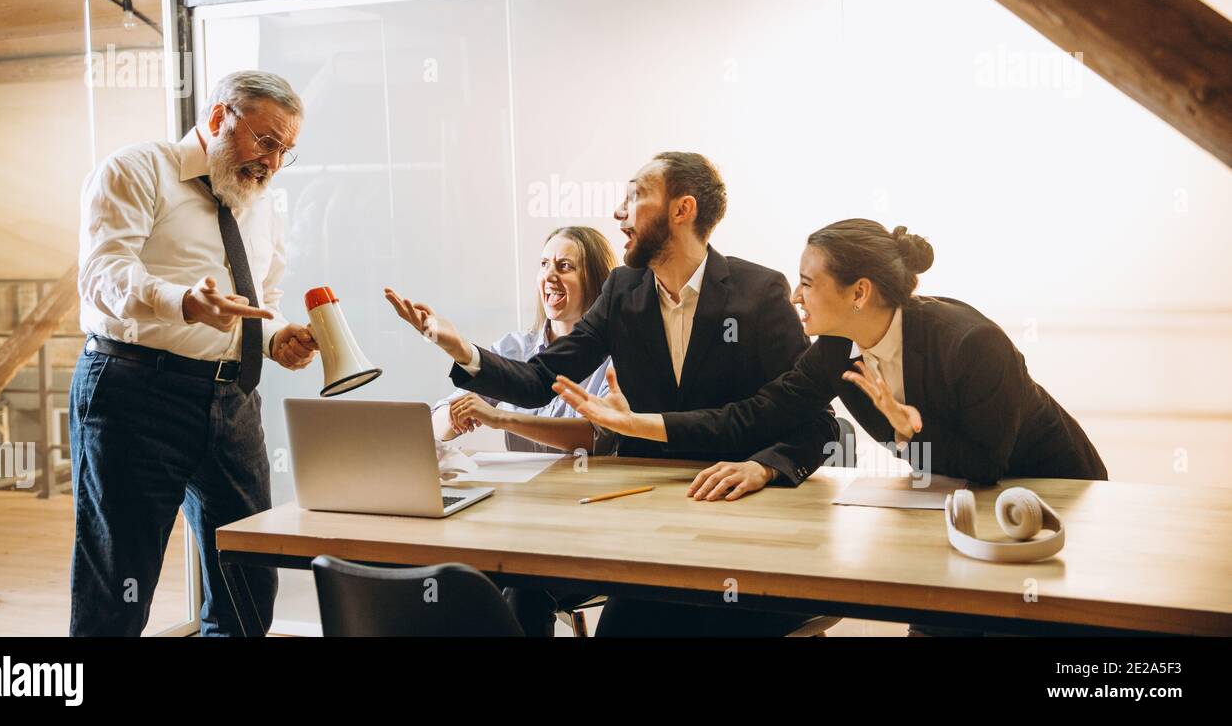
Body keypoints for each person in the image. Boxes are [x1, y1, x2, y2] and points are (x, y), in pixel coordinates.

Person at [386, 152, 839, 636]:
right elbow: (541, 380)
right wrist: (463, 351)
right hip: (648, 528)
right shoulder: (624, 290)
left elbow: (817, 422)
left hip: (738, 530)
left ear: (681, 210)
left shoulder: (759, 291)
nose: (619, 213)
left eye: (635, 196)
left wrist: (763, 466)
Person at [558, 218, 1107, 491]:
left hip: (1058, 491)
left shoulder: (970, 342)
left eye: (807, 283)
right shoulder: (837, 354)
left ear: (859, 292)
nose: (794, 296)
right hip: (966, 503)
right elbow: (755, 413)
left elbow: (988, 466)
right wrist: (638, 423)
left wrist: (906, 431)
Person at [69, 70, 319, 636]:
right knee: (119, 580)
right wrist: (183, 301)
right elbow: (101, 275)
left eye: (287, 151)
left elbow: (265, 297)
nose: (274, 163)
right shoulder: (137, 169)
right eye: (267, 141)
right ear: (216, 118)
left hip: (232, 400)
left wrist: (278, 337)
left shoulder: (262, 203)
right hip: (135, 394)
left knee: (250, 575)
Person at [432, 225, 617, 453]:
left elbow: (599, 435)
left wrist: (501, 418)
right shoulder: (514, 347)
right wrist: (453, 416)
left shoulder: (615, 357)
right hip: (522, 488)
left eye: (565, 266)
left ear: (596, 280)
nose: (549, 276)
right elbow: (436, 424)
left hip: (590, 486)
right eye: (544, 264)